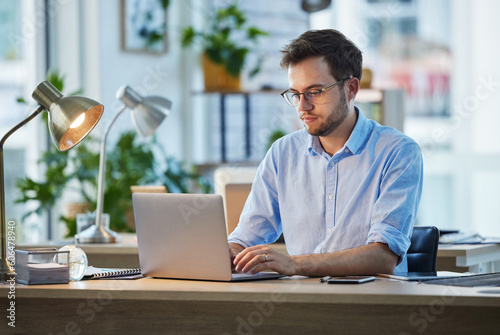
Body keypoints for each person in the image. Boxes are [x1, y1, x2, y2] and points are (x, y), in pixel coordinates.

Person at [228, 29, 423, 277]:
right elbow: (246, 238)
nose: (302, 107)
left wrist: (295, 264)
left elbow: (383, 257)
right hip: (301, 302)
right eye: (296, 94)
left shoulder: (398, 152)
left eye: (315, 92)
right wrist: (227, 252)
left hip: (372, 305)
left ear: (351, 89)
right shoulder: (282, 152)